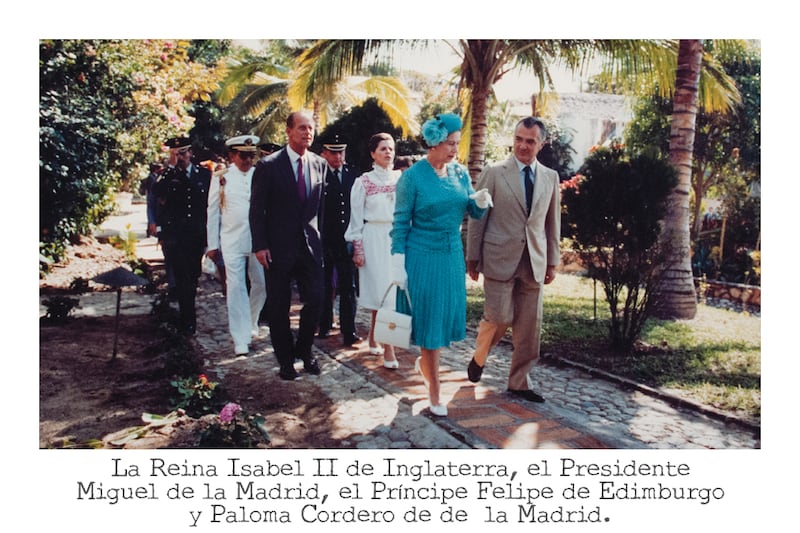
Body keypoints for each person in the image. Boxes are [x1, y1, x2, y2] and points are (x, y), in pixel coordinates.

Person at [390, 114, 492, 415]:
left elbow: (470, 211)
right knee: (430, 321)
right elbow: (399, 221)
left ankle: (427, 365)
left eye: (456, 144)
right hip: (421, 254)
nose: (454, 150)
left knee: (443, 317)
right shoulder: (412, 177)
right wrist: (398, 261)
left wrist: (480, 203)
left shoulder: (460, 173)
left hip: (450, 256)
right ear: (433, 142)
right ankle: (435, 390)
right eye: (449, 143)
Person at [465, 116, 561, 403]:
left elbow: (551, 222)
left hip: (534, 261)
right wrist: (472, 257)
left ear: (541, 144)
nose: (522, 145)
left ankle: (519, 382)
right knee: (500, 317)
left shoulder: (550, 177)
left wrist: (553, 261)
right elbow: (477, 218)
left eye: (530, 141)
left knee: (529, 327)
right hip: (498, 258)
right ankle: (479, 356)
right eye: (519, 139)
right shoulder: (494, 173)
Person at [249, 111, 327, 380]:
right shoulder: (269, 165)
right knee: (279, 307)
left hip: (310, 247)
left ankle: (305, 351)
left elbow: (322, 209)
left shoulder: (319, 164)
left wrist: (323, 240)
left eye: (311, 128)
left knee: (316, 300)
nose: (308, 132)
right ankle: (285, 360)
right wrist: (260, 245)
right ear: (289, 131)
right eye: (302, 128)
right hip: (278, 247)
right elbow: (257, 209)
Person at [345, 133, 402, 368]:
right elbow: (356, 220)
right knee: (381, 292)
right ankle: (390, 350)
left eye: (390, 148)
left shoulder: (403, 180)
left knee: (393, 294)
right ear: (372, 154)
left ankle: (375, 336)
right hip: (374, 239)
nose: (388, 152)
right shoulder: (363, 182)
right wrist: (357, 249)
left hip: (396, 240)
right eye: (382, 149)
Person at [206, 135, 267, 356]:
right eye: (243, 155)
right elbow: (212, 211)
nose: (248, 160)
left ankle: (251, 322)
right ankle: (240, 338)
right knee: (236, 288)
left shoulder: (259, 175)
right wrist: (212, 244)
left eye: (251, 155)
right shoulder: (221, 177)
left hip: (257, 240)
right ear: (232, 155)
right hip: (231, 240)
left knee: (260, 284)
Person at [154, 137, 211, 335]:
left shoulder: (204, 175)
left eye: (184, 152)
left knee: (192, 278)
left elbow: (209, 205)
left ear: (190, 153)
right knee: (182, 278)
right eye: (177, 154)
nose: (181, 157)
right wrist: (169, 167)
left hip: (196, 236)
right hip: (176, 236)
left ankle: (188, 314)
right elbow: (157, 193)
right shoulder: (168, 176)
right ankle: (188, 322)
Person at [318, 135, 361, 347]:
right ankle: (324, 324)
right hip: (325, 239)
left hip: (347, 239)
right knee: (325, 285)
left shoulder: (353, 175)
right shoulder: (318, 174)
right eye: (333, 152)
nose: (338, 157)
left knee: (348, 286)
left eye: (341, 152)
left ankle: (349, 330)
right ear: (324, 153)